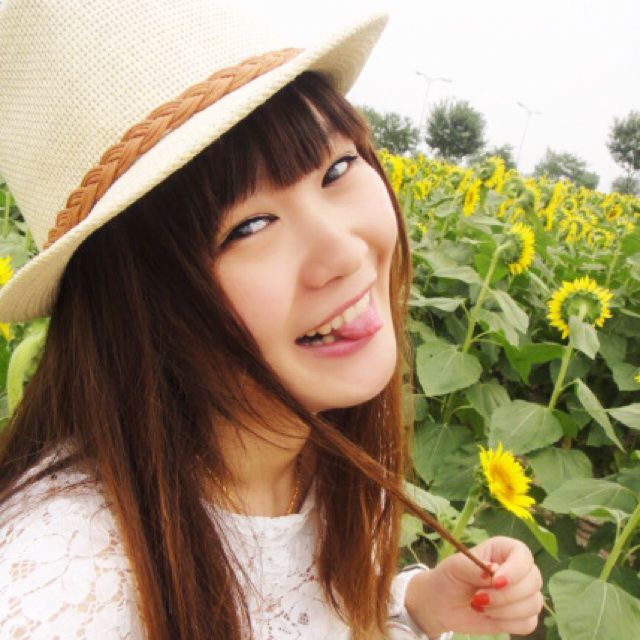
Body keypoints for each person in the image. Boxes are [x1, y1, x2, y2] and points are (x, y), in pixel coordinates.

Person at [0, 1, 543, 639]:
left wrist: (414, 610)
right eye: (249, 226)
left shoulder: (316, 455)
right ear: (136, 304)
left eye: (338, 169)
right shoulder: (61, 594)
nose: (344, 253)